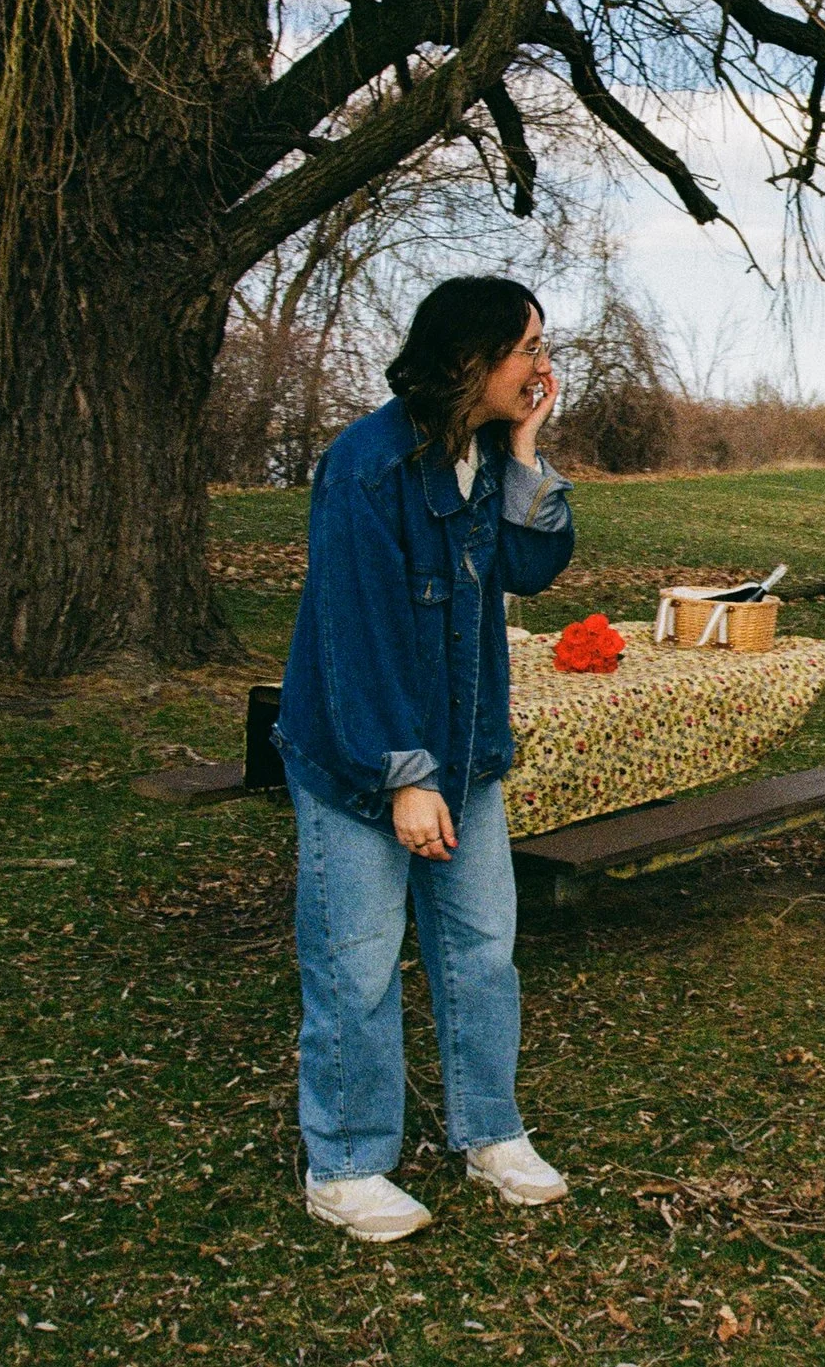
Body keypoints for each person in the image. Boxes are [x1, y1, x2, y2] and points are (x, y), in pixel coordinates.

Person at [274, 277, 577, 1240]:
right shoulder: (364, 466)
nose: (541, 364)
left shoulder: (487, 458)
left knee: (482, 949)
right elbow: (352, 633)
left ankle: (489, 1131)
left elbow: (533, 567)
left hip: (467, 749)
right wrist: (404, 777)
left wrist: (527, 452)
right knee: (356, 964)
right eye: (527, 347)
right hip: (362, 757)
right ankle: (348, 1164)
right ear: (467, 360)